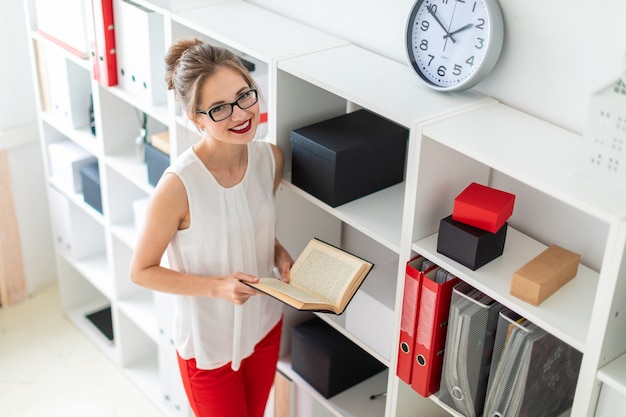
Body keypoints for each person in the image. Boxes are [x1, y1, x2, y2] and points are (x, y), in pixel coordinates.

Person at [129, 37, 294, 417]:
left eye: (244, 96)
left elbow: (252, 225)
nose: (240, 115)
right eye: (219, 108)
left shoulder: (270, 157)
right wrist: (217, 288)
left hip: (264, 327)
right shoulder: (177, 186)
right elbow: (141, 271)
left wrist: (279, 254)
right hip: (208, 347)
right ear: (196, 118)